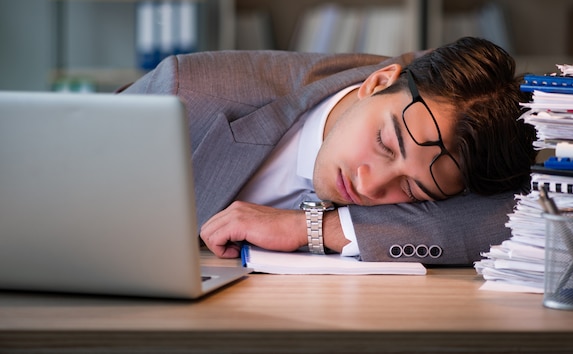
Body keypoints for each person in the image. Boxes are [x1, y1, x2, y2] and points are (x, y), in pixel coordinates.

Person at [119, 37, 536, 264]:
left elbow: (530, 214)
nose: (370, 186)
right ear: (376, 82)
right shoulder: (184, 96)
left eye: (411, 189)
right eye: (385, 144)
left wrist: (313, 228)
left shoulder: (457, 118)